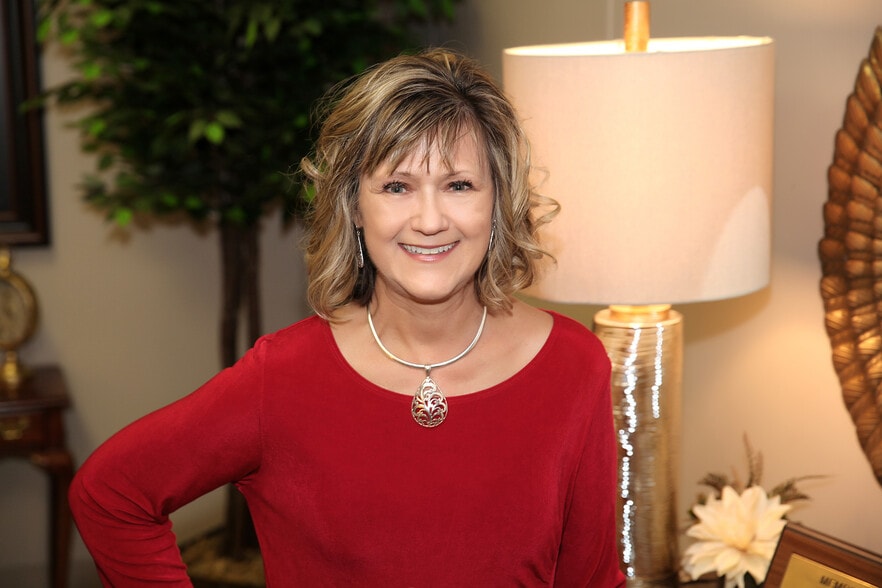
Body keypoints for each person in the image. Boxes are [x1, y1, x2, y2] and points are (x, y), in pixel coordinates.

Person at [69, 48, 626, 587]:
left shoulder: (574, 366)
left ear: (497, 201)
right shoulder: (281, 378)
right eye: (397, 187)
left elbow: (592, 579)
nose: (430, 220)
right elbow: (111, 495)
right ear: (355, 206)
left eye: (458, 185)